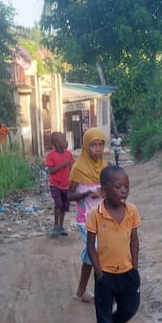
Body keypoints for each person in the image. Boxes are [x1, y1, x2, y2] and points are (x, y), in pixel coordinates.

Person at [86, 165, 141, 323]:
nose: (124, 190)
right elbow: (90, 245)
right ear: (104, 191)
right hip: (106, 275)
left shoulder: (132, 211)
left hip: (127, 272)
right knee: (104, 311)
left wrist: (134, 267)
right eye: (118, 187)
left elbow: (134, 240)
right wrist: (99, 272)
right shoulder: (96, 214)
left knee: (129, 308)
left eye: (127, 186)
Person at [69, 128, 107, 303]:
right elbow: (69, 195)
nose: (98, 149)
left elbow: (110, 189)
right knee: (98, 250)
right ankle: (105, 291)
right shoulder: (78, 169)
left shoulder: (105, 167)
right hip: (85, 220)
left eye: (100, 145)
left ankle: (81, 291)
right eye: (93, 145)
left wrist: (104, 192)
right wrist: (86, 193)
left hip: (103, 218)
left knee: (90, 254)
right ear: (85, 146)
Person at [45, 131, 75, 236]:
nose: (66, 142)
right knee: (58, 204)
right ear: (57, 144)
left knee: (64, 206)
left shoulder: (68, 154)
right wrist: (62, 165)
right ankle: (55, 225)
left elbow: (72, 168)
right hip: (55, 185)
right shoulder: (51, 156)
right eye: (64, 140)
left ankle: (61, 227)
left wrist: (72, 181)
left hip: (66, 185)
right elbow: (51, 171)